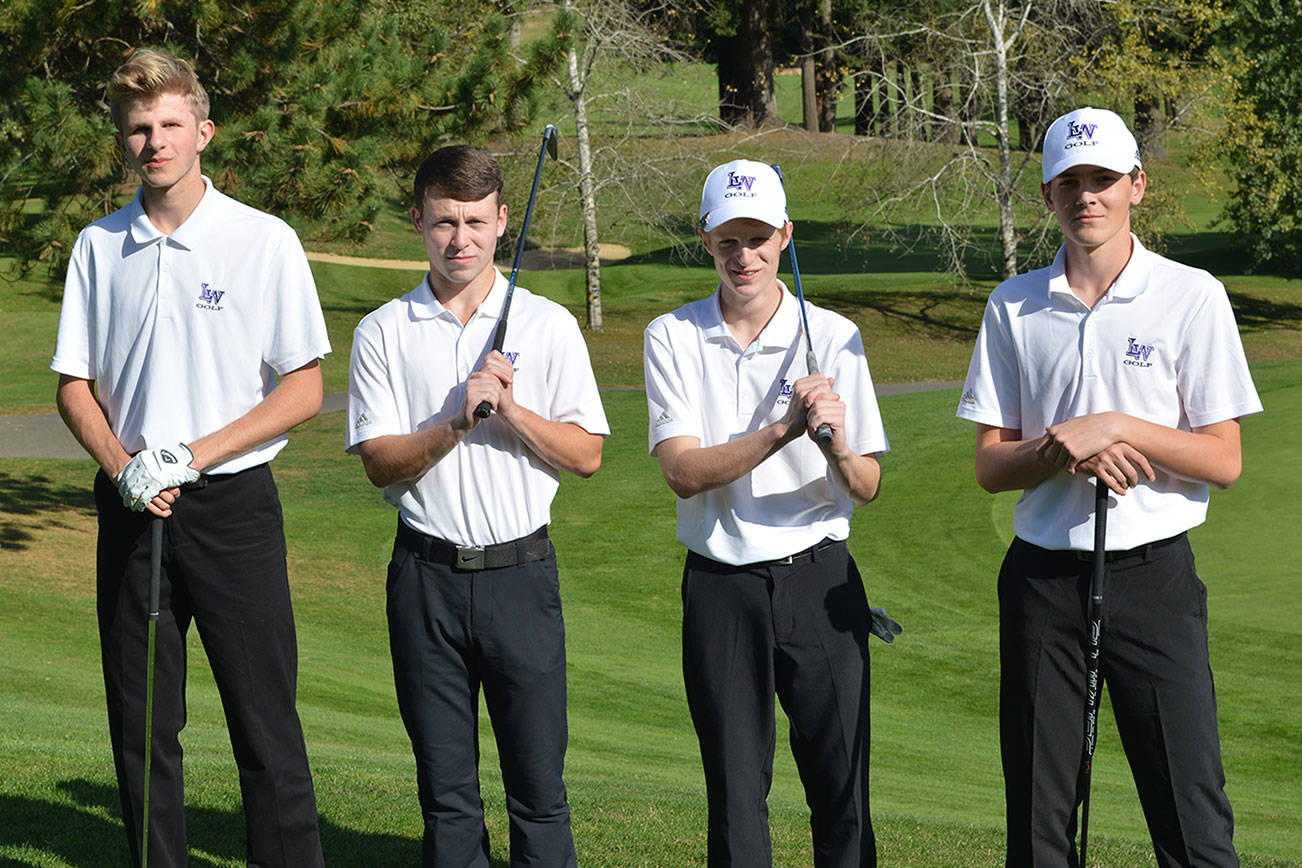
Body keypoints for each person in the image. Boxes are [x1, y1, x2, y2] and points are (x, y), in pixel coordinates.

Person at [957, 107, 1262, 866]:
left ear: (1137, 185)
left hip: (1152, 577)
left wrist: (1116, 426)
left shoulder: (1191, 295)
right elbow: (992, 465)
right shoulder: (1013, 305)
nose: (1087, 197)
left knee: (1192, 820)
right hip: (1041, 583)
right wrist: (1064, 449)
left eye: (1103, 180)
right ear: (1047, 195)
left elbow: (1222, 460)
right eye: (1070, 183)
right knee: (1038, 822)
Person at [50, 49, 329, 866]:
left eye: (170, 124)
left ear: (203, 131)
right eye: (139, 128)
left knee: (264, 720)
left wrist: (187, 453)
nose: (155, 140)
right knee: (142, 725)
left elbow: (303, 388)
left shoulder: (261, 240)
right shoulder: (100, 247)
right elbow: (73, 384)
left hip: (233, 507)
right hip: (134, 507)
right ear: (123, 140)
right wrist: (121, 463)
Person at [346, 144, 608, 867]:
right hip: (424, 578)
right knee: (447, 794)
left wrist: (510, 411)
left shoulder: (549, 325)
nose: (459, 240)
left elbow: (587, 455)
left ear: (500, 221)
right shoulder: (382, 332)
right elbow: (378, 464)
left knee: (538, 789)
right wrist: (458, 421)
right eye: (442, 222)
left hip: (520, 578)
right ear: (418, 221)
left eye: (473, 222)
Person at [643, 159, 895, 867]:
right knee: (734, 790)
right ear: (705, 240)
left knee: (841, 786)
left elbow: (868, 484)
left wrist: (839, 449)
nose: (743, 255)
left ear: (785, 236)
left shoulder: (836, 335)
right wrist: (782, 430)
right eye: (728, 239)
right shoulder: (673, 335)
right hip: (722, 585)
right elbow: (682, 472)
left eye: (757, 238)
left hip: (819, 579)